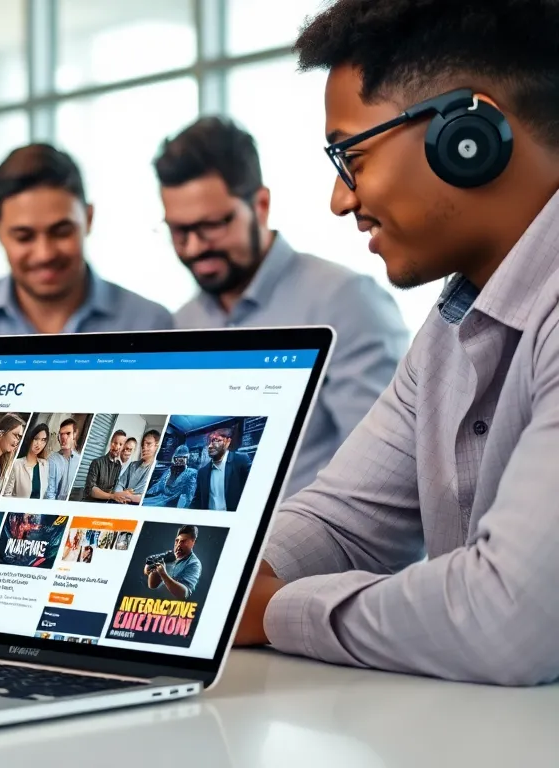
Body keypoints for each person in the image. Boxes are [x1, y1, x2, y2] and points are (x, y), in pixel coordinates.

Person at [235, 0, 559, 686]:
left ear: (468, 133)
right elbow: (345, 521)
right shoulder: (453, 321)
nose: (339, 199)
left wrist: (272, 611)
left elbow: (509, 618)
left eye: (351, 155)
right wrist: (218, 580)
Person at [155, 117, 408, 495]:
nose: (193, 247)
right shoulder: (181, 322)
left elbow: (387, 475)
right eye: (179, 230)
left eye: (210, 226)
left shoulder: (345, 301)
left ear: (260, 205)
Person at [0, 144, 173, 471]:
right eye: (24, 237)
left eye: (61, 232)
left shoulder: (149, 321)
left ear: (89, 218)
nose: (44, 253)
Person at [190, 426, 251, 511]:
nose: (210, 446)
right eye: (209, 442)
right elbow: (197, 501)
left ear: (228, 442)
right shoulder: (202, 472)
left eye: (216, 440)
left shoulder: (240, 461)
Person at [145, 526, 201, 600]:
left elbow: (183, 594)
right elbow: (149, 563)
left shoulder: (194, 564)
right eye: (177, 541)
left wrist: (163, 574)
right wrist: (150, 569)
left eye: (183, 541)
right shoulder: (169, 555)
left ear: (193, 542)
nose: (178, 545)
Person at [1, 421, 49, 498]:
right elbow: (6, 494)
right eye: (36, 439)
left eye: (43, 440)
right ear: (30, 439)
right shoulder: (16, 464)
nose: (39, 444)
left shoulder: (45, 464)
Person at [111, 430, 158, 504]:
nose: (144, 447)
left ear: (156, 446)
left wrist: (126, 494)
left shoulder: (156, 469)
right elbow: (120, 484)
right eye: (143, 444)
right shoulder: (132, 465)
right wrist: (120, 494)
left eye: (148, 444)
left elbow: (141, 495)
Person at [82, 429, 127, 502]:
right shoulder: (97, 462)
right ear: (111, 443)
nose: (117, 447)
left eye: (120, 444)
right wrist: (112, 496)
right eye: (115, 443)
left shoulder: (118, 466)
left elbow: (113, 489)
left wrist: (123, 493)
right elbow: (91, 490)